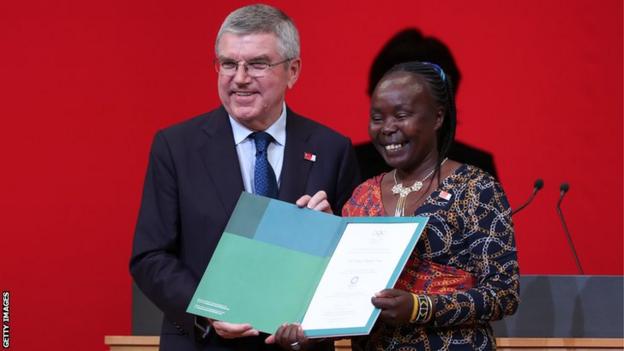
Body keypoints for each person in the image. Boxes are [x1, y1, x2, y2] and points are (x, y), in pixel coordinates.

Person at [129, 4, 360, 351]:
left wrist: (329, 234)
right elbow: (150, 256)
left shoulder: (332, 148)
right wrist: (206, 311)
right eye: (228, 64)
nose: (239, 77)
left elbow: (353, 265)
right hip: (205, 344)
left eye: (257, 64)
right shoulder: (176, 147)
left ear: (292, 71)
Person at [272, 61, 519, 350]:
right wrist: (305, 334)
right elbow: (342, 299)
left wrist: (419, 308)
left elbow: (503, 293)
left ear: (437, 117)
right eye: (377, 118)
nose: (388, 128)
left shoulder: (476, 189)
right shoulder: (361, 197)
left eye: (401, 115)